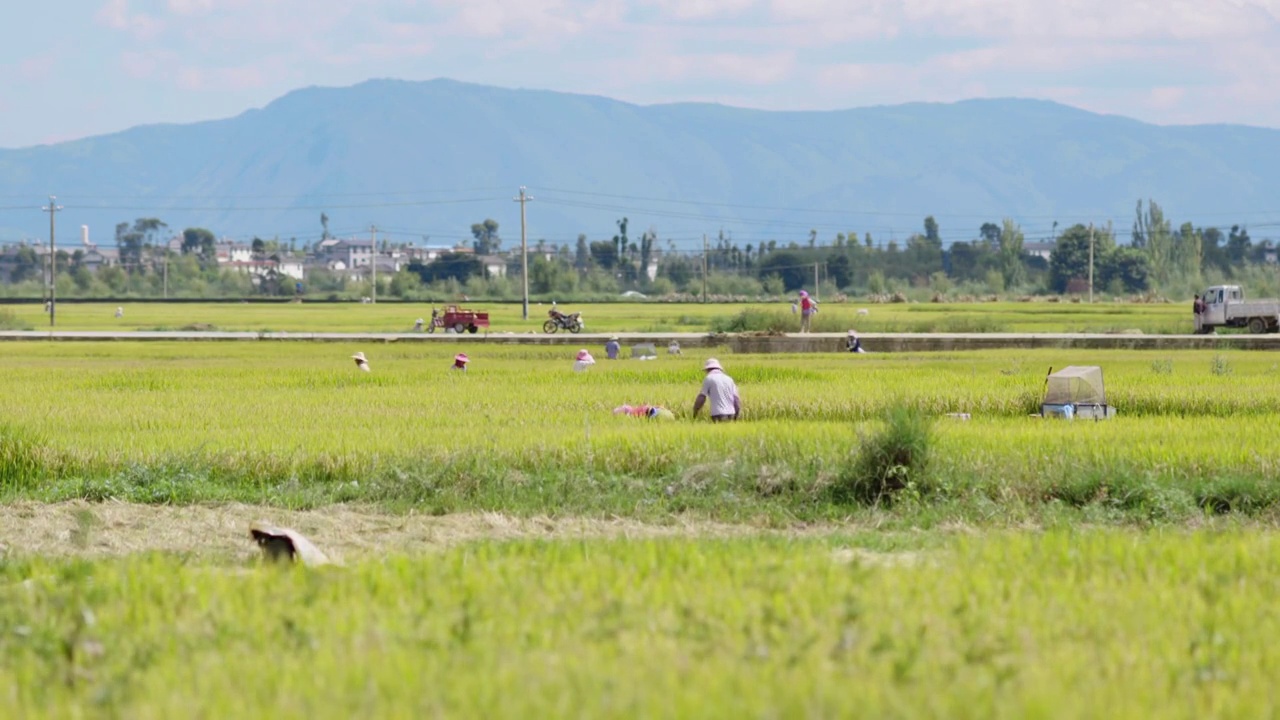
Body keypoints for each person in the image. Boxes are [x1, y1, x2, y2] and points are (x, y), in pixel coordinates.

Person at [692, 358, 740, 422]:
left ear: (707, 369)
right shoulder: (729, 379)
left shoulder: (709, 378)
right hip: (731, 413)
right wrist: (736, 416)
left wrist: (695, 412)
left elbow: (702, 397)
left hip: (718, 414)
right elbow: (736, 399)